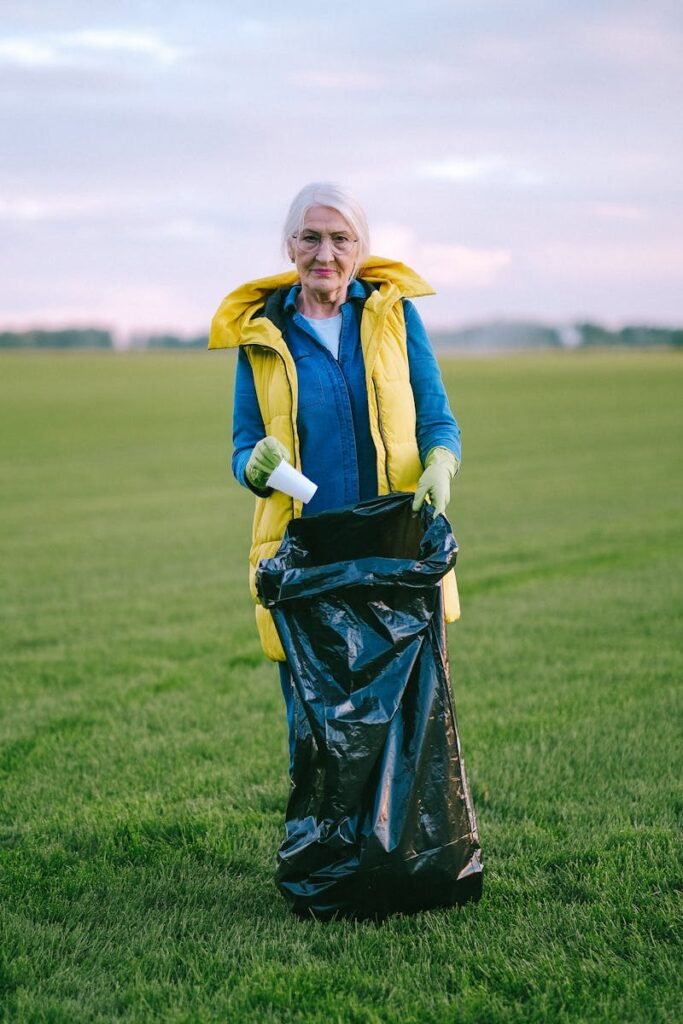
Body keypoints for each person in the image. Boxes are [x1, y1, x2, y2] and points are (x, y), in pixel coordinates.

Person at [209, 182, 461, 756]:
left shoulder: (395, 316)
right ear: (290, 246)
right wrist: (257, 466)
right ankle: (327, 846)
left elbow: (437, 419)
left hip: (391, 547)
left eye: (340, 239)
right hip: (309, 556)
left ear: (360, 248)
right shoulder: (263, 336)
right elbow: (242, 449)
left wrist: (441, 462)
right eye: (311, 238)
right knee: (317, 721)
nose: (325, 254)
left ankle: (396, 848)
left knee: (405, 719)